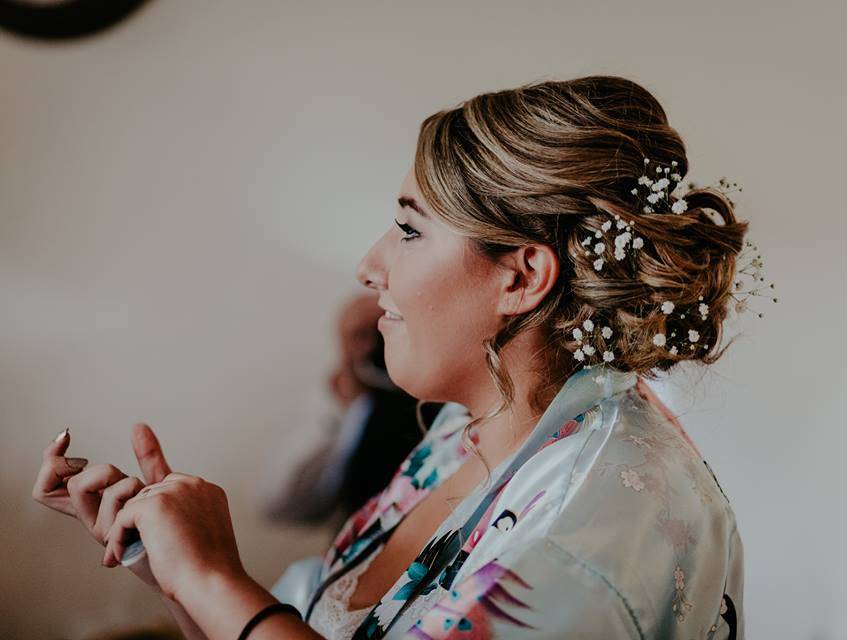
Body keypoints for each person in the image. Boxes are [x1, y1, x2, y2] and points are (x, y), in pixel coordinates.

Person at [32, 74, 772, 639]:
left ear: (521, 277)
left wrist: (214, 574)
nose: (369, 265)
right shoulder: (464, 433)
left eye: (409, 231)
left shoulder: (601, 521)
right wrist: (171, 565)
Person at [262, 291, 440, 529]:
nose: (375, 345)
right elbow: (279, 503)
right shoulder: (350, 407)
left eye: (384, 328)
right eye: (361, 335)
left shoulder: (441, 407)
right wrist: (345, 402)